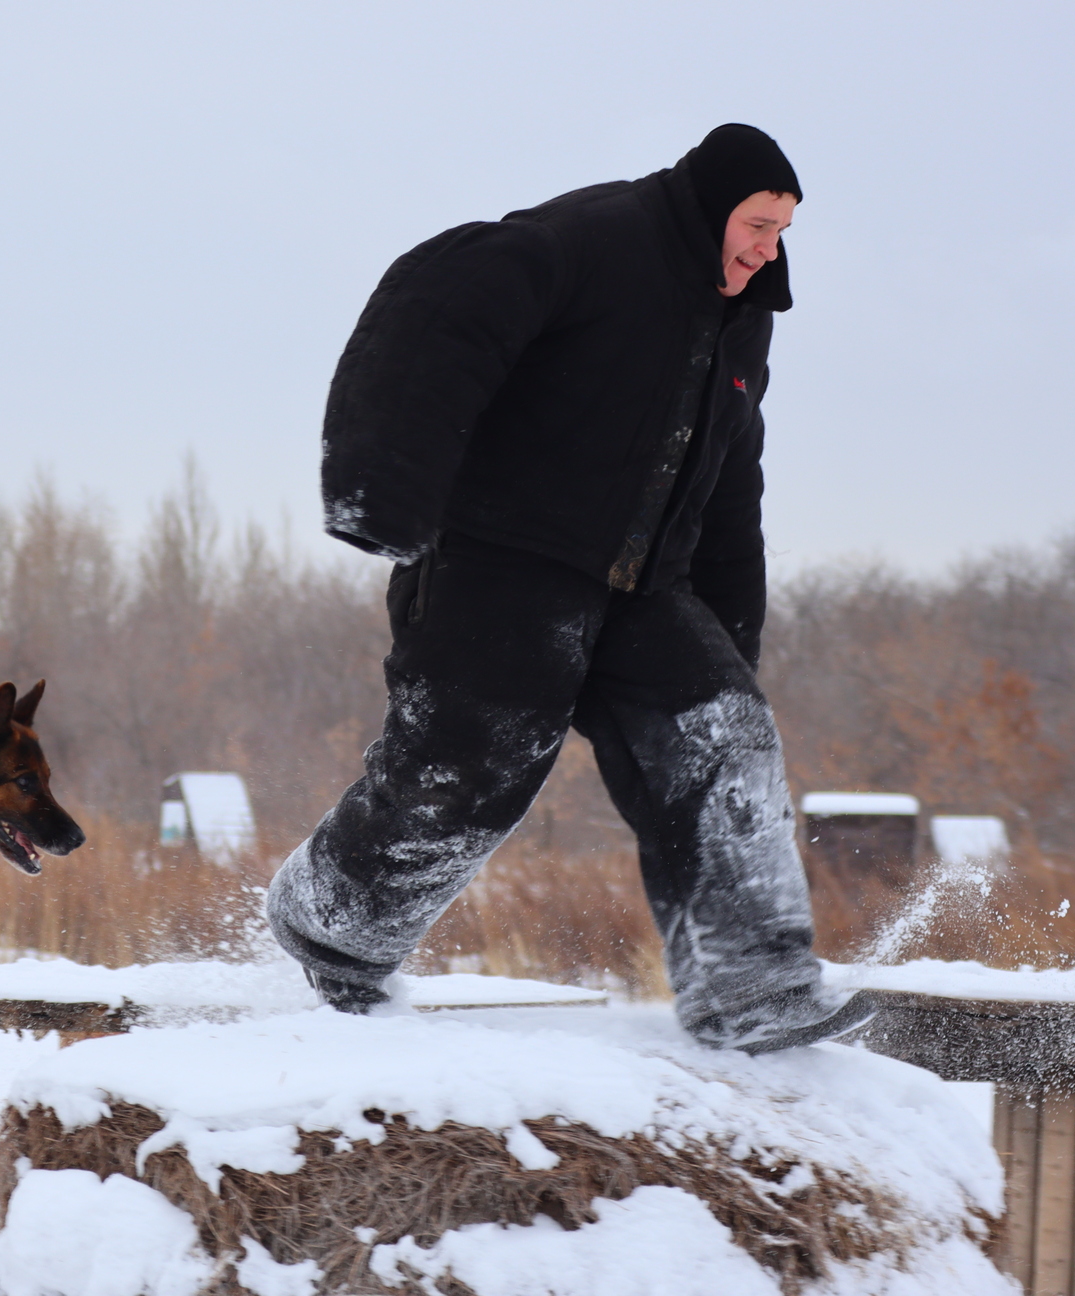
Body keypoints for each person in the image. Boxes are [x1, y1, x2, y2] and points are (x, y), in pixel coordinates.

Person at [264, 124, 872, 1053]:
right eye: (756, 223)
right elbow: (441, 303)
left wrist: (728, 640)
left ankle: (751, 986)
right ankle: (332, 921)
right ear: (711, 209)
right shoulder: (597, 241)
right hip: (504, 558)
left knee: (723, 737)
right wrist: (380, 490)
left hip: (643, 586)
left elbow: (726, 477)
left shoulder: (742, 317)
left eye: (783, 232)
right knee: (476, 762)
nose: (768, 248)